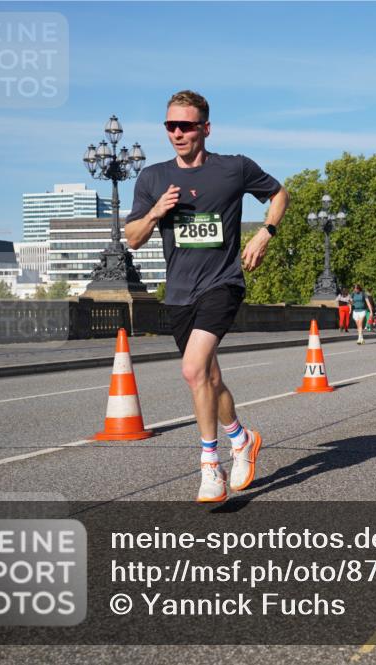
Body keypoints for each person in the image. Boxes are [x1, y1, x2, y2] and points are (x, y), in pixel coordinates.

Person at [124, 90, 288, 503]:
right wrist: (156, 211)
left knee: (193, 369)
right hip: (178, 293)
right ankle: (242, 438)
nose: (177, 133)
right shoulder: (153, 178)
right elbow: (133, 239)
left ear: (205, 128)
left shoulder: (234, 169)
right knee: (209, 377)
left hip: (223, 283)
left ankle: (209, 466)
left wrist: (265, 234)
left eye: (186, 125)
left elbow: (279, 194)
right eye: (170, 126)